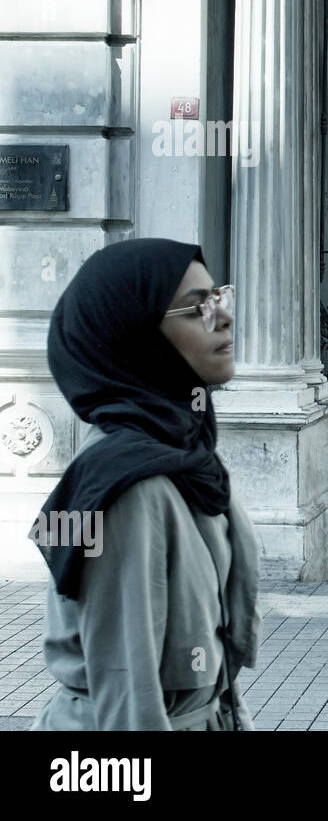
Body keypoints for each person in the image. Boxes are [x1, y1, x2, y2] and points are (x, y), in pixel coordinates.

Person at [31, 238, 260, 731]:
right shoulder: (129, 485)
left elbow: (211, 662)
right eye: (196, 307)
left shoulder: (186, 455)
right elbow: (127, 695)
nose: (222, 317)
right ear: (136, 335)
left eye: (217, 296)